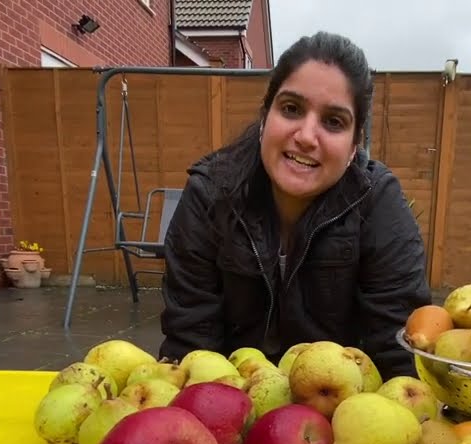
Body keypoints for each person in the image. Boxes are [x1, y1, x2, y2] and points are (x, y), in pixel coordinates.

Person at [157, 31, 432, 381]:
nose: (305, 135)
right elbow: (189, 344)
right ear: (265, 116)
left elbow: (399, 349)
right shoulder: (210, 194)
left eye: (333, 122)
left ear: (353, 146)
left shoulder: (377, 203)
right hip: (224, 408)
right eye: (291, 109)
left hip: (342, 418)